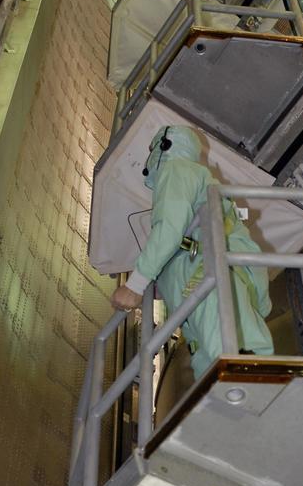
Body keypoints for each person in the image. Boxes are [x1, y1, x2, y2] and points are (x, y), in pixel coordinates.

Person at [109, 125, 273, 378]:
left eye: (151, 149)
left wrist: (136, 284)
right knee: (224, 357)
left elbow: (171, 228)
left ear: (164, 147)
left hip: (207, 278)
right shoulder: (194, 178)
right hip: (212, 281)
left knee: (226, 362)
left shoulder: (176, 168)